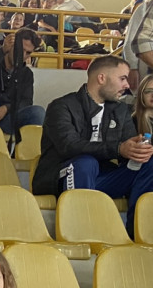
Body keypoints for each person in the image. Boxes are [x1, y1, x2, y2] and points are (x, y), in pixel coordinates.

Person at [33, 55, 153, 237]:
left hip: (102, 178)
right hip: (62, 177)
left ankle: (136, 235)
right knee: (85, 163)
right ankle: (80, 234)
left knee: (149, 164)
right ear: (102, 78)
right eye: (122, 78)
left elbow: (126, 148)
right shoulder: (61, 106)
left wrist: (137, 151)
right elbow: (69, 146)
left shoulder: (120, 110)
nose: (127, 85)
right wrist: (118, 148)